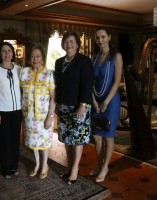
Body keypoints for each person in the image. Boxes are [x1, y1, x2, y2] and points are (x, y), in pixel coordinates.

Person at [54, 31, 94, 185]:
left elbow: (87, 84)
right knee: (67, 139)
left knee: (77, 140)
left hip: (79, 106)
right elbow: (57, 85)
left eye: (71, 41)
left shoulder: (84, 61)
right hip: (63, 106)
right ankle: (69, 166)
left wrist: (83, 105)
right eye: (66, 41)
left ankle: (75, 170)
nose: (68, 44)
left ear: (77, 44)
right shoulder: (58, 62)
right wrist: (57, 103)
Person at [90, 27, 123, 183]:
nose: (100, 40)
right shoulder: (94, 57)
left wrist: (106, 101)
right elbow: (90, 82)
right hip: (96, 100)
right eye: (98, 38)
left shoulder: (116, 56)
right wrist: (94, 100)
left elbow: (117, 81)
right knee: (96, 137)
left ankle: (104, 168)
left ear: (109, 37)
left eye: (103, 37)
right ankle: (99, 164)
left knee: (108, 137)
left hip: (111, 102)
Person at [19, 43, 56, 179]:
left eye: (38, 56)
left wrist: (50, 116)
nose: (35, 59)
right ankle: (37, 164)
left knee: (44, 142)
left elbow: (53, 97)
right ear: (29, 58)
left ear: (42, 58)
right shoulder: (23, 73)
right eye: (33, 56)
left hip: (44, 116)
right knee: (33, 142)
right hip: (28, 116)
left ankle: (44, 164)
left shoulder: (48, 74)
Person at [0, 42, 22, 179]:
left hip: (17, 110)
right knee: (4, 140)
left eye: (9, 50)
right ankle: (6, 169)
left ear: (13, 53)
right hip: (2, 110)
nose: (7, 53)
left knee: (15, 140)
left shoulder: (19, 69)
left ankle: (14, 166)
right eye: (3, 51)